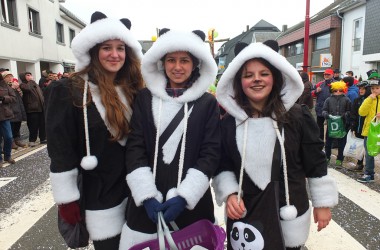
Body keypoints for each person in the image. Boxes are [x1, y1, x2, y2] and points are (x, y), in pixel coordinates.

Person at [212, 41, 338, 250]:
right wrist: (230, 193)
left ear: (275, 77)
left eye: (264, 73)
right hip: (245, 214)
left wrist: (322, 203)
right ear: (239, 81)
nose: (257, 80)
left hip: (288, 210)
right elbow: (222, 164)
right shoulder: (228, 123)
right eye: (248, 75)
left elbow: (315, 160)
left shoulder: (297, 117)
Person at [45, 11, 144, 249]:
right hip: (100, 195)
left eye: (120, 48)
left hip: (136, 193)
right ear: (93, 50)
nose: (114, 54)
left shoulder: (134, 90)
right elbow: (60, 149)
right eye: (107, 48)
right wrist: (67, 199)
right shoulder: (68, 89)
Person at [119, 29, 220, 249]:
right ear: (162, 63)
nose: (177, 67)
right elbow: (135, 147)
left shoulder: (206, 103)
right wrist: (146, 195)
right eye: (171, 60)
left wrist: (185, 196)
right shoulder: (145, 99)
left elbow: (210, 153)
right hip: (147, 205)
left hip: (193, 205)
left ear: (195, 64)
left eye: (184, 60)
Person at [322, 81, 351, 168]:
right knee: (328, 142)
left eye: (340, 90)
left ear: (343, 90)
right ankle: (327, 157)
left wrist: (343, 116)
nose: (338, 92)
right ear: (332, 90)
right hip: (331, 125)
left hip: (342, 124)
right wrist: (328, 116)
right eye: (335, 90)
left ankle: (340, 158)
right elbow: (324, 110)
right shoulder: (328, 100)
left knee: (342, 143)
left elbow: (349, 111)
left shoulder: (346, 100)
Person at [357, 78, 380, 183]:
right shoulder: (369, 99)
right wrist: (370, 99)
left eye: (377, 88)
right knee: (369, 154)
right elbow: (361, 112)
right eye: (373, 88)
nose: (374, 90)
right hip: (369, 131)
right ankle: (369, 174)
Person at [349, 81, 371, 171]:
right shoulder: (357, 100)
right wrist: (353, 125)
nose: (361, 90)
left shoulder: (371, 99)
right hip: (359, 127)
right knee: (360, 146)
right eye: (360, 89)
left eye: (363, 89)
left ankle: (368, 167)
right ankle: (359, 163)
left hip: (368, 128)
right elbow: (353, 113)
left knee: (368, 148)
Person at [19, 72, 46, 147]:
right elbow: (28, 89)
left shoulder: (34, 84)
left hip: (40, 107)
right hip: (31, 109)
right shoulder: (22, 84)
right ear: (23, 77)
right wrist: (30, 81)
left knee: (42, 124)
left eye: (30, 75)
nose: (30, 76)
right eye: (27, 75)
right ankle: (32, 140)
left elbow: (41, 93)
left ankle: (43, 138)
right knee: (33, 125)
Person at [2, 72, 27, 149]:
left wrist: (19, 90)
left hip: (18, 108)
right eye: (7, 77)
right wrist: (12, 88)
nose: (10, 78)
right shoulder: (4, 87)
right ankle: (12, 142)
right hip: (9, 110)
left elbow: (20, 96)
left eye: (11, 76)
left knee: (17, 126)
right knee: (11, 128)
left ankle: (17, 139)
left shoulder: (15, 85)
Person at [312, 68, 336, 141]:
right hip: (320, 108)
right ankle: (320, 142)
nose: (326, 75)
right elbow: (312, 93)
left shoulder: (336, 84)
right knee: (319, 127)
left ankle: (329, 143)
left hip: (331, 109)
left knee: (330, 127)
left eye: (328, 74)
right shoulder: (320, 84)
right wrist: (316, 91)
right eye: (325, 74)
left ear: (332, 75)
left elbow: (342, 94)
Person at [0, 70, 17, 167]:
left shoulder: (5, 85)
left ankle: (7, 155)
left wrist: (3, 99)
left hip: (5, 115)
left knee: (8, 137)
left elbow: (13, 98)